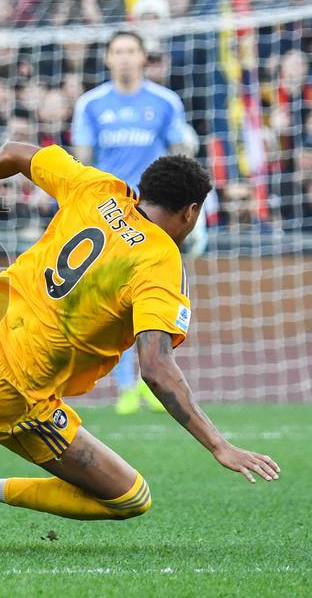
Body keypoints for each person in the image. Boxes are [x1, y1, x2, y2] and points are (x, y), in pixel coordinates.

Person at [0, 142, 280, 535]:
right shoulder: (160, 261)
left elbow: (14, 152)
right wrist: (218, 445)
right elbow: (155, 367)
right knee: (130, 496)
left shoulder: (98, 187)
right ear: (190, 212)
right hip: (11, 385)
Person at [71, 30, 191, 415]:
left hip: (156, 217)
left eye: (131, 51)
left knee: (155, 298)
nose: (124, 58)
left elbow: (179, 154)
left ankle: (152, 378)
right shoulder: (91, 104)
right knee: (116, 302)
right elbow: (83, 161)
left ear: (143, 57)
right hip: (111, 218)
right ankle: (126, 385)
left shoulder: (165, 102)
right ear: (108, 58)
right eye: (117, 51)